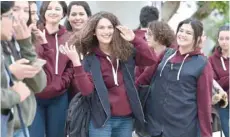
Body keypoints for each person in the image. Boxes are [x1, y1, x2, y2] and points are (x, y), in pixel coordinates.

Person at [61, 11, 157, 137]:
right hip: (102, 120)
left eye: (110, 27)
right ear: (94, 32)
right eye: (101, 27)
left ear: (115, 30)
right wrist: (76, 63)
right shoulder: (90, 59)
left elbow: (151, 59)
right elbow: (87, 91)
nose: (106, 31)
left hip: (126, 119)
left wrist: (135, 39)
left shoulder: (126, 53)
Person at [136, 18, 213, 137]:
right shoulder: (166, 54)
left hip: (182, 130)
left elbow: (204, 104)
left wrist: (206, 134)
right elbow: (143, 80)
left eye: (188, 33)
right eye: (181, 30)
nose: (182, 34)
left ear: (197, 38)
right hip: (155, 128)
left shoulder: (202, 64)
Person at [1, 1, 47, 137]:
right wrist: (11, 72)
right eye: (15, 10)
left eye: (26, 10)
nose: (21, 16)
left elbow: (39, 84)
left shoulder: (19, 40)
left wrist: (26, 44)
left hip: (22, 124)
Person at [28, 2, 73, 137]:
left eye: (57, 9)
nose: (53, 12)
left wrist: (61, 83)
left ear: (64, 13)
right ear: (43, 12)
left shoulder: (70, 38)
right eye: (49, 9)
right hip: (35, 96)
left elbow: (71, 66)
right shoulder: (33, 33)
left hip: (58, 97)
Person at [209, 25, 229, 137]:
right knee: (225, 133)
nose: (224, 42)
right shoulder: (211, 60)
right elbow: (215, 84)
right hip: (222, 105)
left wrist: (223, 79)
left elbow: (220, 82)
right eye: (221, 38)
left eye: (227, 38)